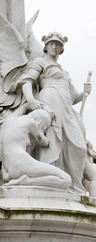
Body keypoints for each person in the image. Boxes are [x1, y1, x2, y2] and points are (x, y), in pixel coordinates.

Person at [16, 32, 91, 194]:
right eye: (52, 43)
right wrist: (31, 100)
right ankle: (51, 182)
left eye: (58, 44)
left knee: (79, 147)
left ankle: (74, 187)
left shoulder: (64, 73)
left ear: (61, 48)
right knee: (52, 142)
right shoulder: (40, 62)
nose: (55, 47)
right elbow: (27, 81)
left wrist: (84, 93)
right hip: (50, 101)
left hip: (66, 108)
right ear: (46, 46)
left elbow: (73, 97)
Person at [0, 105, 71, 189]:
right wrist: (49, 139)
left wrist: (35, 104)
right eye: (44, 128)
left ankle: (24, 181)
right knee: (66, 179)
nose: (43, 131)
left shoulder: (9, 119)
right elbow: (43, 141)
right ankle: (27, 182)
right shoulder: (31, 123)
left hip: (7, 170)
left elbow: (24, 107)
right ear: (39, 121)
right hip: (21, 163)